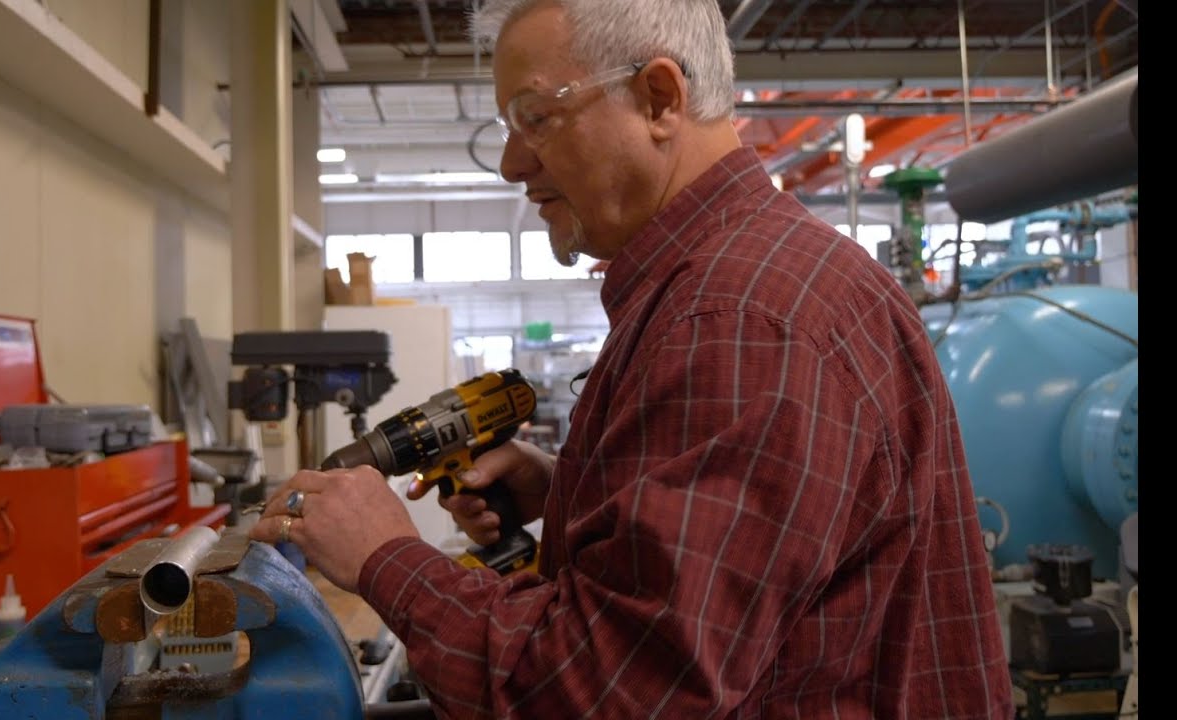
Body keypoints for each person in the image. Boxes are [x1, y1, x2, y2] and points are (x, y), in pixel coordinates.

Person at [250, 0, 1014, 717]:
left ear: (657, 98)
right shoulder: (753, 277)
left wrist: (386, 557)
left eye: (535, 117)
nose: (514, 162)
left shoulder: (738, 320)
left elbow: (605, 690)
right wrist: (572, 492)